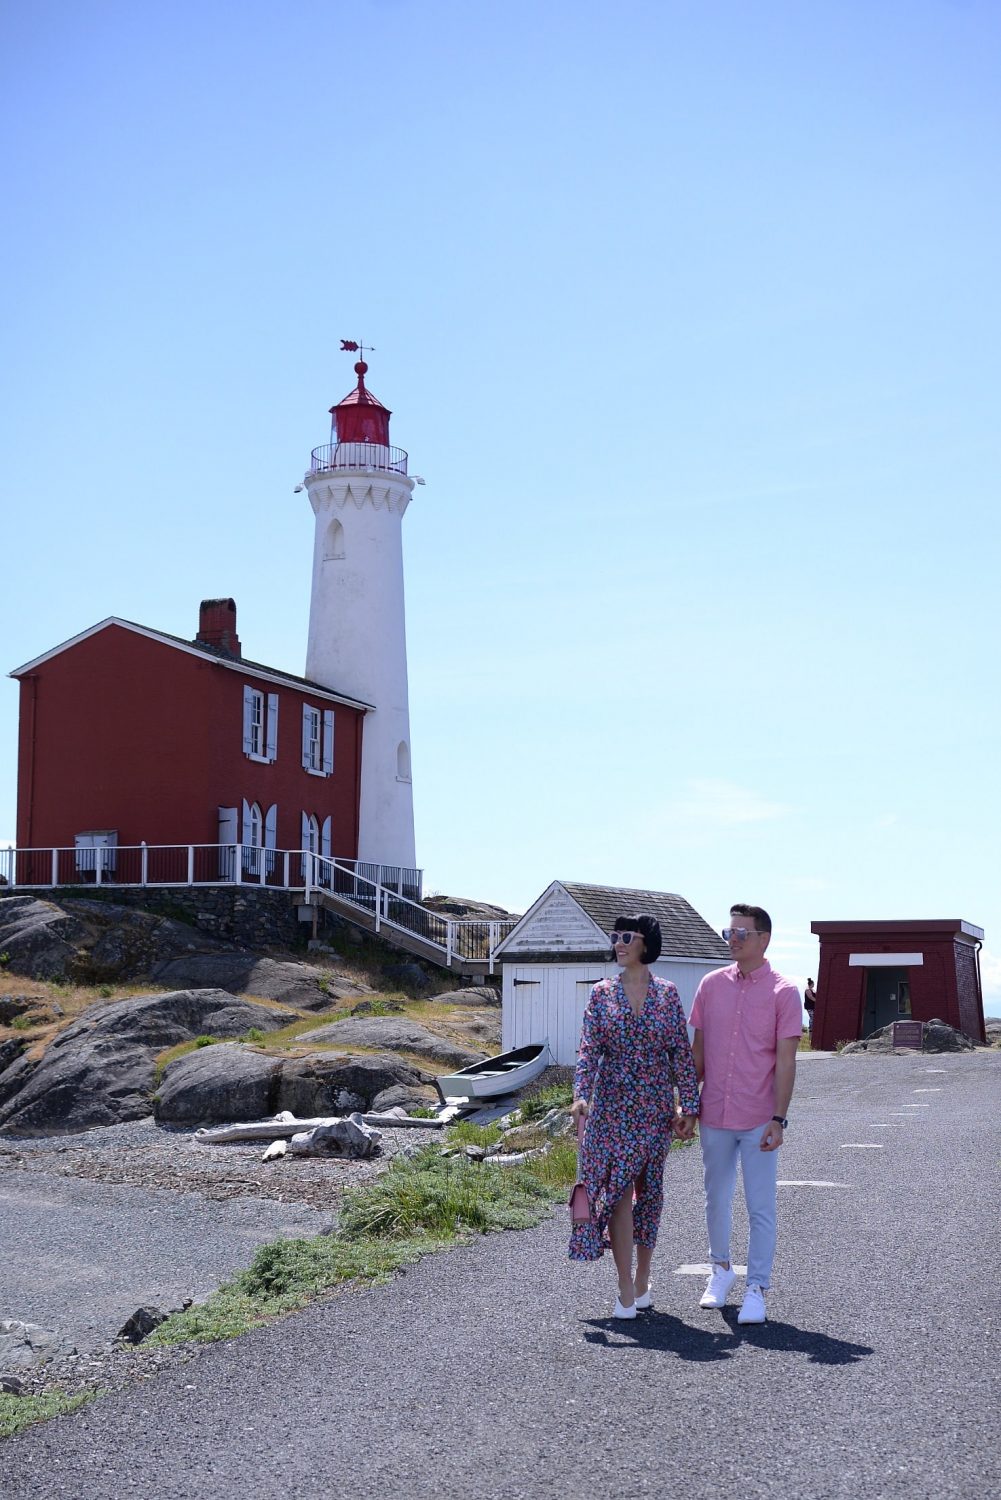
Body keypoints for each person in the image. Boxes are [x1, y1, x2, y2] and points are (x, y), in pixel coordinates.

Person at [569, 913, 700, 1319]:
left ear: (646, 943)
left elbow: (680, 1050)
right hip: (611, 1108)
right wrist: (580, 1096)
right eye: (615, 937)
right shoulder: (600, 994)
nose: (618, 943)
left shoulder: (668, 993)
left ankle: (644, 1277)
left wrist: (689, 1108)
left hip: (655, 1108)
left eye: (627, 936)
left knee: (650, 1194)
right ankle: (625, 1285)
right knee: (620, 1193)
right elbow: (589, 1049)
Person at [689, 904, 802, 1325]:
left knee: (760, 1205)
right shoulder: (710, 985)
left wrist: (779, 1118)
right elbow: (698, 1054)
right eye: (728, 932)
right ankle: (720, 1271)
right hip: (714, 1112)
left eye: (741, 932)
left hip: (759, 1116)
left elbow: (787, 1062)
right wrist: (686, 1104)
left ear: (763, 939)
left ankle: (757, 1287)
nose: (732, 939)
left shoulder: (784, 991)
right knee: (715, 1199)